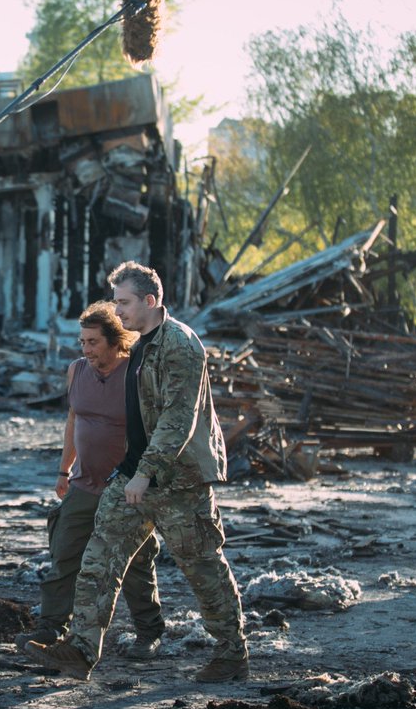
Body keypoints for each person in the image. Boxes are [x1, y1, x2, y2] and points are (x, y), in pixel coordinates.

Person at [23, 260, 248, 683]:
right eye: (116, 301)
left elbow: (178, 419)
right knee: (98, 559)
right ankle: (80, 650)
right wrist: (129, 472)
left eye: (124, 302)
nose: (118, 310)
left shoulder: (180, 345)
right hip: (132, 478)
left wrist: (146, 472)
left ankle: (232, 654)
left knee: (202, 567)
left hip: (179, 481)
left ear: (150, 300)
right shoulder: (143, 343)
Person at [15, 301, 165, 659]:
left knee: (135, 564)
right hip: (83, 482)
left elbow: (153, 429)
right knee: (64, 554)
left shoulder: (135, 373)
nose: (86, 349)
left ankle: (149, 633)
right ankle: (51, 628)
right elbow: (73, 420)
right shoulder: (76, 370)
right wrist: (63, 469)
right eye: (82, 342)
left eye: (93, 342)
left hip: (125, 486)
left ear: (116, 341)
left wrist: (144, 478)